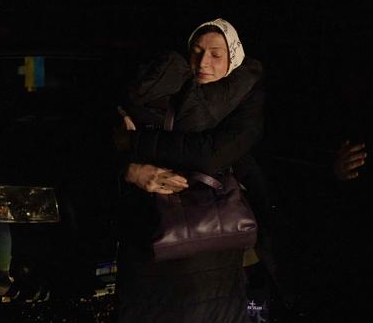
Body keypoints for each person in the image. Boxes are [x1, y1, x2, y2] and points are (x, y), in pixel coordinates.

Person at [113, 18, 267, 323]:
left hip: (215, 240)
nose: (203, 63)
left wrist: (134, 141)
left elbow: (213, 152)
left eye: (215, 54)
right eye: (196, 52)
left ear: (233, 57)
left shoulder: (245, 96)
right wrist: (131, 168)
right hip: (153, 240)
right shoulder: (162, 90)